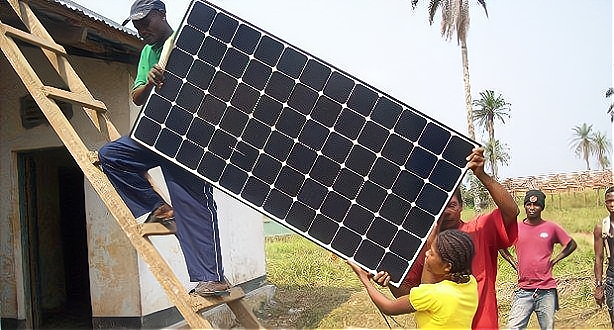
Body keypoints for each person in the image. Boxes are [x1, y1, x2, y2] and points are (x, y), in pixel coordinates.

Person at [98, 0, 228, 296]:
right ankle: (157, 206)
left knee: (193, 205)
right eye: (137, 25)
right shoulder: (147, 52)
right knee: (112, 155)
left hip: (190, 140)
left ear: (162, 15)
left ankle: (212, 277)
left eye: (146, 22)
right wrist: (151, 83)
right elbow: (136, 97)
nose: (142, 29)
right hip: (156, 134)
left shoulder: (189, 38)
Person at [373, 147, 519, 329]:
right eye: (440, 206)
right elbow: (411, 295)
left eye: (451, 205)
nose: (445, 211)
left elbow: (512, 211)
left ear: (461, 207)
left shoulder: (480, 229)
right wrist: (391, 279)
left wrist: (482, 175)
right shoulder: (424, 247)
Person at [349, 229, 478, 329]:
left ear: (447, 266)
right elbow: (425, 286)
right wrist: (430, 245)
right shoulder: (470, 283)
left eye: (432, 253)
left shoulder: (433, 295)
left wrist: (364, 278)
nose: (426, 254)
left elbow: (388, 307)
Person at [500, 190, 577, 330]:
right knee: (513, 327)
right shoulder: (516, 228)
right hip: (524, 290)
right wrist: (513, 261)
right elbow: (500, 245)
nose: (532, 207)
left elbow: (571, 244)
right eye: (528, 204)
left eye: (536, 204)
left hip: (546, 290)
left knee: (547, 328)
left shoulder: (551, 228)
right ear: (524, 206)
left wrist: (555, 260)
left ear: (542, 207)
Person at [593, 186, 614, 329]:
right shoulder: (602, 227)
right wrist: (599, 285)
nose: (612, 204)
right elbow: (599, 258)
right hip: (612, 275)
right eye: (609, 201)